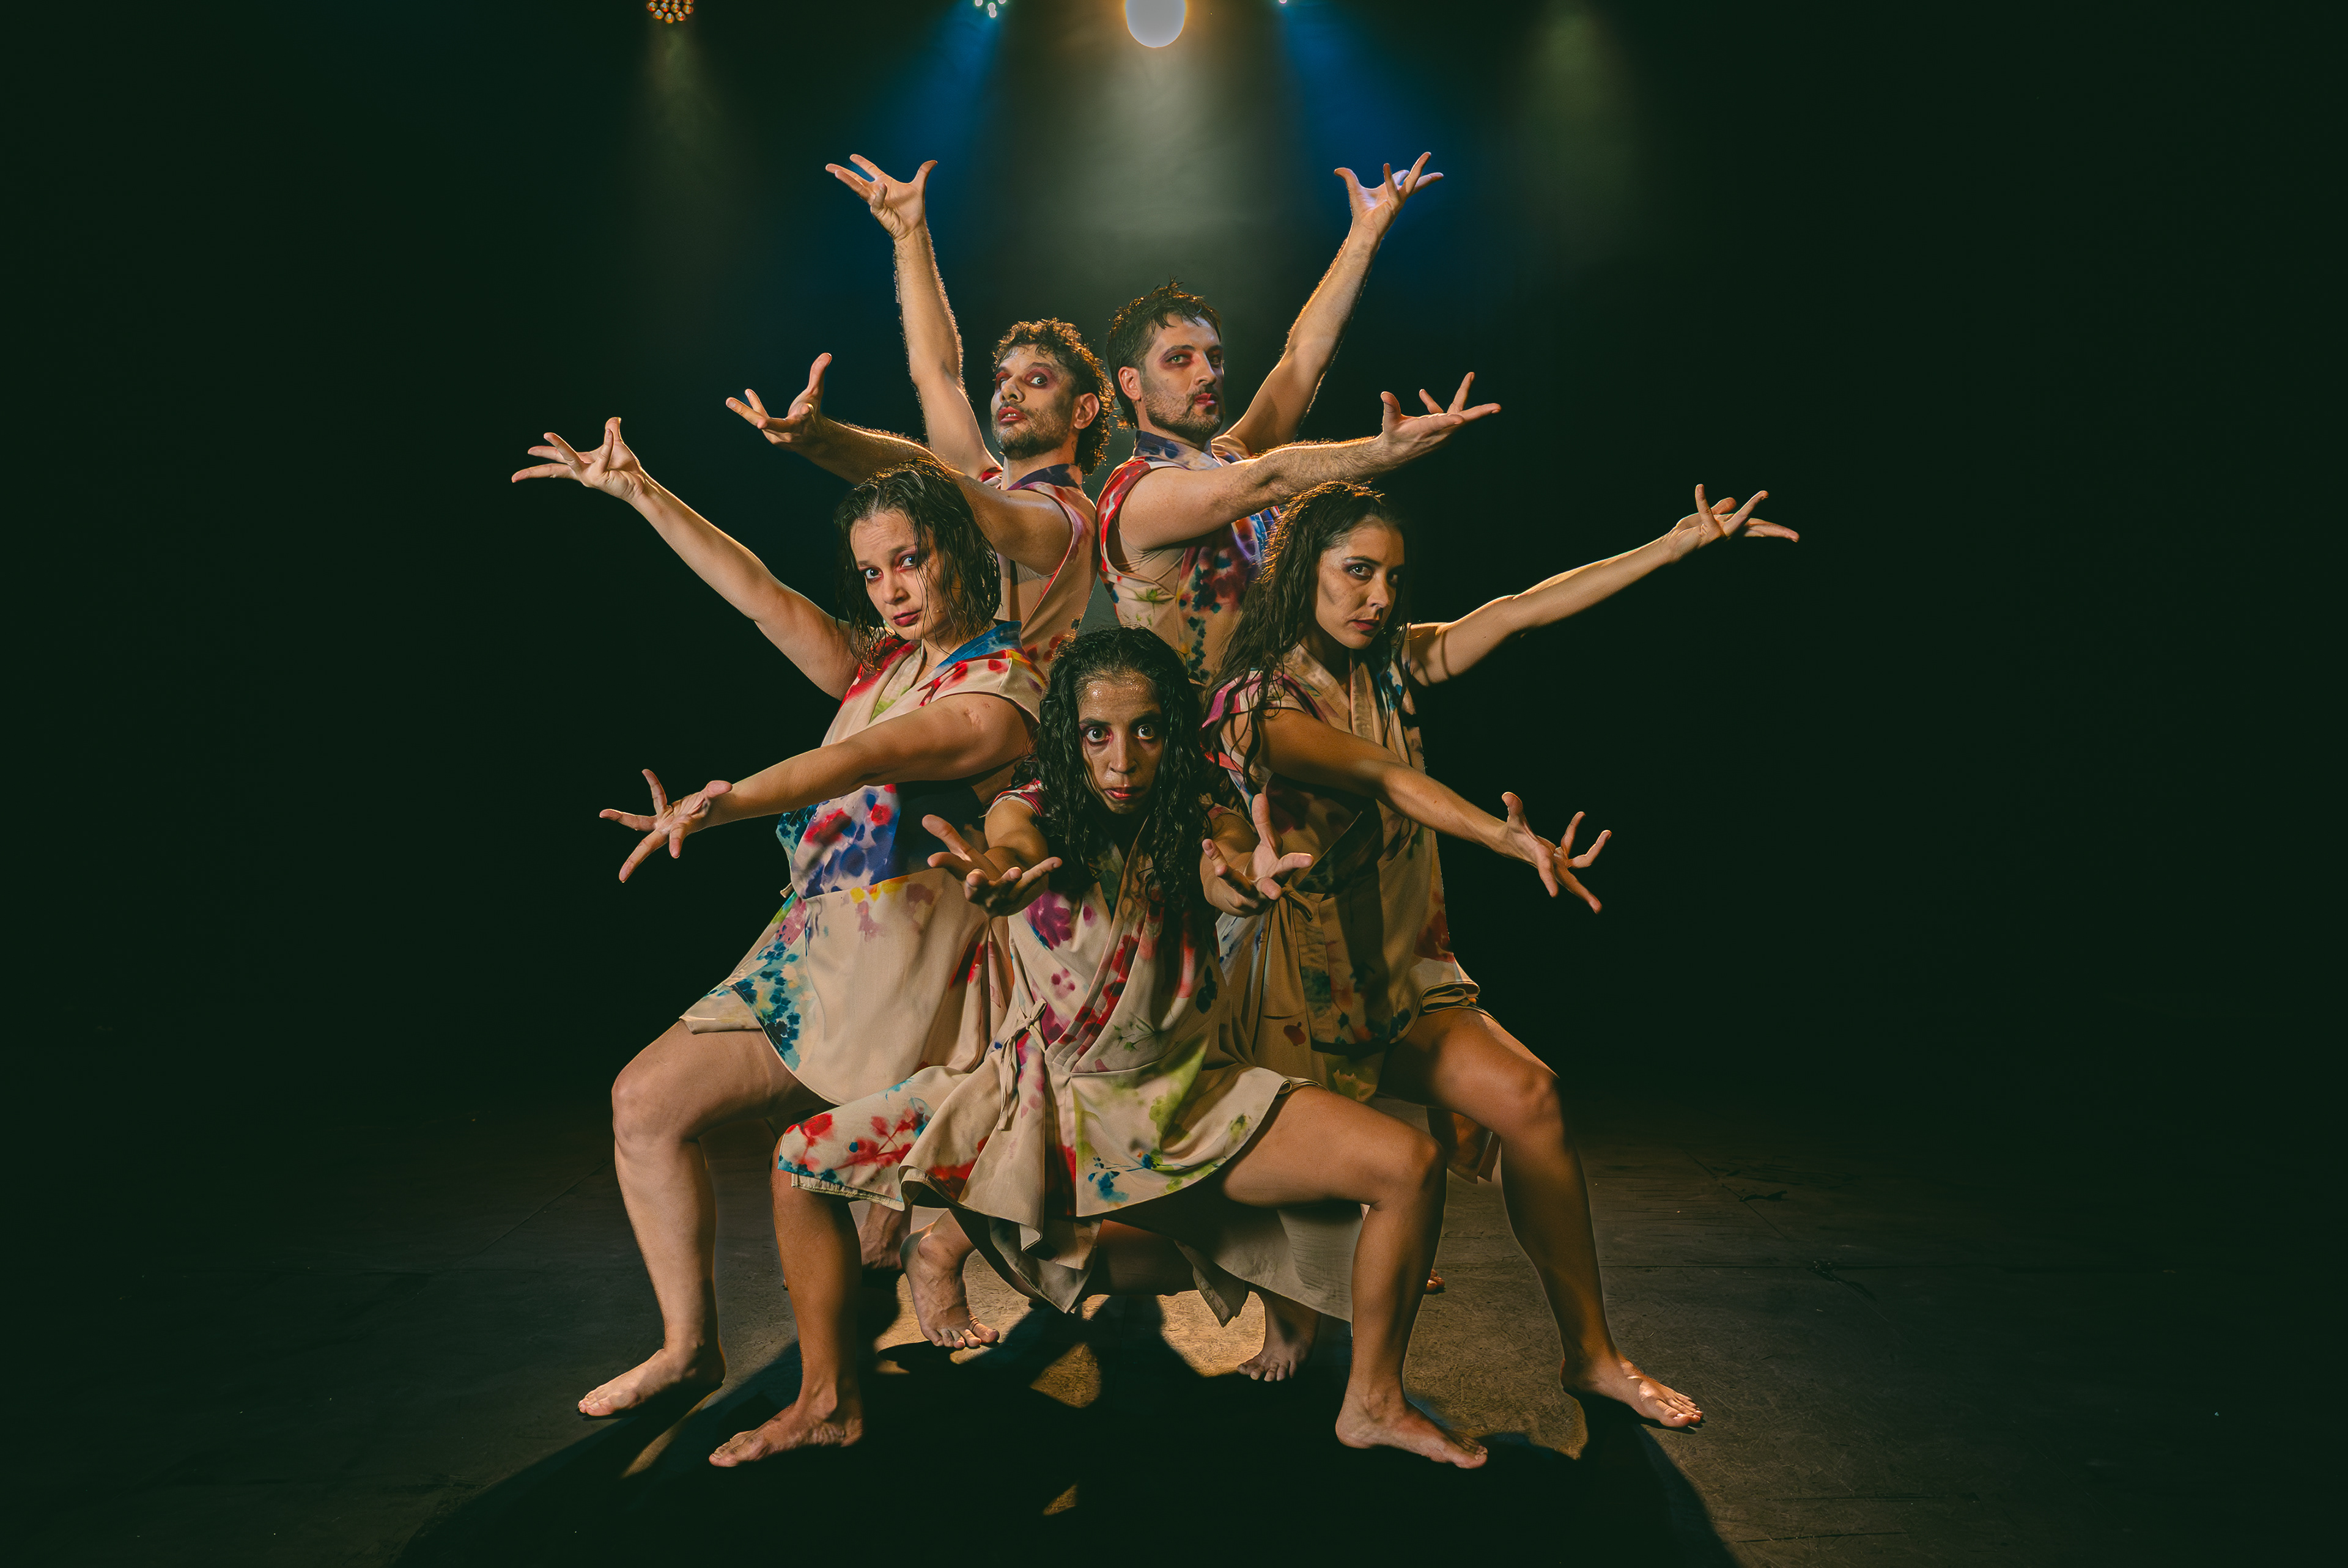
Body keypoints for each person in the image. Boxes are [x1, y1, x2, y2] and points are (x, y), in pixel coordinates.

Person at [707, 628, 1485, 1471]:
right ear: (1067, 737)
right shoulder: (1030, 809)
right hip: (1040, 1104)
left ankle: (1373, 1403)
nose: (1122, 760)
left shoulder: (1202, 813)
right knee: (799, 1163)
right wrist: (1000, 875)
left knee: (1409, 1166)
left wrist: (1246, 883)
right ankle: (825, 1401)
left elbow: (1224, 866)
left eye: (1146, 730)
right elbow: (1015, 848)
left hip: (1188, 1101)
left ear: (1171, 733)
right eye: (1096, 733)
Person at [1202, 478, 1797, 1427]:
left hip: (1398, 971)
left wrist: (1673, 545)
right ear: (1302, 571)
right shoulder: (1253, 703)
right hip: (1290, 987)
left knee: (1532, 1098)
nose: (1380, 597)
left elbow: (1519, 610)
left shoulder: (1388, 663)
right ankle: (1283, 1318)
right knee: (1270, 1211)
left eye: (1393, 577)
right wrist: (1502, 836)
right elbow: (1384, 775)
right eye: (1357, 572)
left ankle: (1592, 1355)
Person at [511, 430, 1043, 1418]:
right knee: (683, 1121)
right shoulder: (885, 664)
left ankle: (812, 1347)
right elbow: (759, 595)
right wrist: (642, 492)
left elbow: (857, 760)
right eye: (872, 572)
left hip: (885, 987)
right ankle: (728, 1350)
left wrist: (726, 802)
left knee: (666, 1109)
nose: (890, 589)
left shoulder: (998, 694)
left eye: (910, 560)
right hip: (810, 955)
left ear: (960, 550)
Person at [723, 154, 1115, 679]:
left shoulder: (1066, 521)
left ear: (1083, 409)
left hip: (1005, 722)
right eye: (1002, 379)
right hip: (933, 693)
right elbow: (936, 373)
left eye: (1038, 379)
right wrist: (909, 235)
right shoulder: (985, 485)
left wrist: (825, 440)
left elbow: (929, 480)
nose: (1010, 389)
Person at [1095, 156, 1478, 683]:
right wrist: (1381, 452)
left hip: (1286, 710)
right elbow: (1268, 478)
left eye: (1214, 357)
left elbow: (1303, 358)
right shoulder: (1137, 496)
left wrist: (1365, 235)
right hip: (1209, 731)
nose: (1207, 373)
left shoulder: (1230, 457)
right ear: (1131, 383)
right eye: (1179, 359)